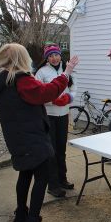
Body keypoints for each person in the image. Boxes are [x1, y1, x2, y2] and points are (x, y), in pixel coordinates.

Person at [0, 43, 79, 222]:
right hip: (32, 138)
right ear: (21, 58)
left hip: (16, 137)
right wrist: (66, 73)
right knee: (41, 177)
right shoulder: (21, 79)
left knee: (25, 174)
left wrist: (65, 90)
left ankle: (20, 214)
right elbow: (46, 93)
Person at [35, 44, 77, 197]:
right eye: (50, 56)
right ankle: (52, 185)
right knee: (51, 151)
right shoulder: (41, 73)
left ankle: (62, 179)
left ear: (60, 55)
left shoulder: (67, 71)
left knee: (61, 149)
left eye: (56, 55)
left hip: (63, 115)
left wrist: (69, 97)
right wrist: (52, 101)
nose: (54, 58)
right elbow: (37, 94)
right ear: (47, 58)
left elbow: (73, 89)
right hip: (48, 116)